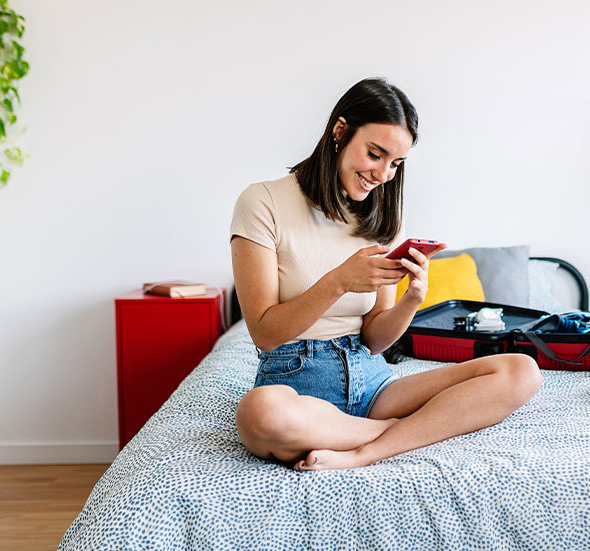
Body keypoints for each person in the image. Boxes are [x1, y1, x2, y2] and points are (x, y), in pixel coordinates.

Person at [230, 77, 541, 471]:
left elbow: (375, 340)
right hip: (296, 382)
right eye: (375, 154)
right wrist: (339, 281)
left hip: (372, 382)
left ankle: (368, 449)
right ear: (340, 131)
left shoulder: (382, 218)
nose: (383, 174)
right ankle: (406, 430)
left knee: (520, 370)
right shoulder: (262, 202)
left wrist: (412, 299)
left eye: (396, 163)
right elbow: (264, 332)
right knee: (259, 413)